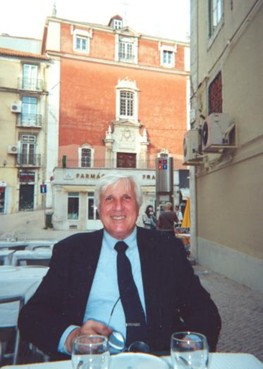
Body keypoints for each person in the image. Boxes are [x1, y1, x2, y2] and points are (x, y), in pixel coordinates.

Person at [18, 173, 221, 361]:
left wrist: (192, 347)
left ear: (139, 206)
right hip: (94, 361)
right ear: (98, 208)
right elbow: (32, 316)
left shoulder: (166, 249)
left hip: (157, 360)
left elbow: (204, 310)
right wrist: (72, 337)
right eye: (109, 199)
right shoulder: (72, 251)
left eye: (126, 198)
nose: (118, 207)